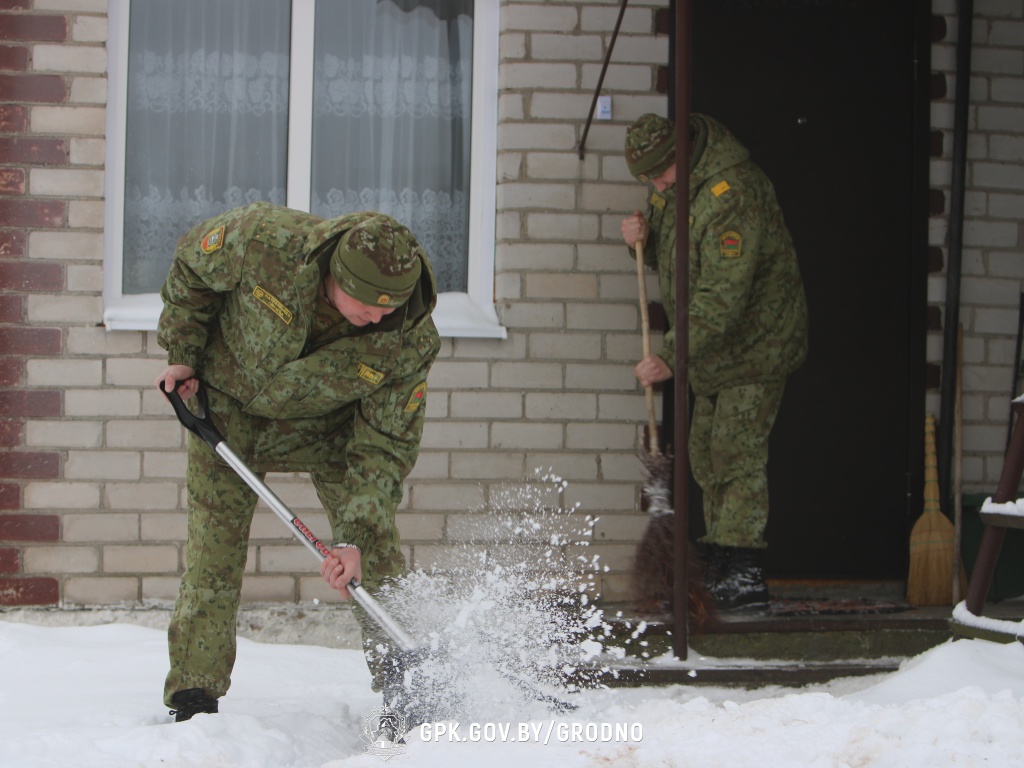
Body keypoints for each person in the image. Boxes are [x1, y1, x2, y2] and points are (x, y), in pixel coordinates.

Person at [154, 201, 439, 721]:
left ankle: (410, 685)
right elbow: (192, 269)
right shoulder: (264, 239)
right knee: (212, 550)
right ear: (335, 272)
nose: (379, 316)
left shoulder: (408, 339)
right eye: (368, 303)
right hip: (228, 413)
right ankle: (194, 693)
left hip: (331, 427)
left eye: (390, 306)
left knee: (372, 552)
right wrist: (183, 352)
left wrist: (353, 537)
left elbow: (384, 445)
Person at [621, 113, 809, 611]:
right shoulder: (673, 185)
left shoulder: (735, 193)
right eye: (648, 180)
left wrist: (669, 356)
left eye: (660, 175)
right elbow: (673, 256)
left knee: (734, 451)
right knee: (705, 451)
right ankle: (722, 558)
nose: (656, 187)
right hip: (712, 348)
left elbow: (724, 294)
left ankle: (744, 572)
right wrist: (641, 240)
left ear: (683, 152)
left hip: (756, 341)